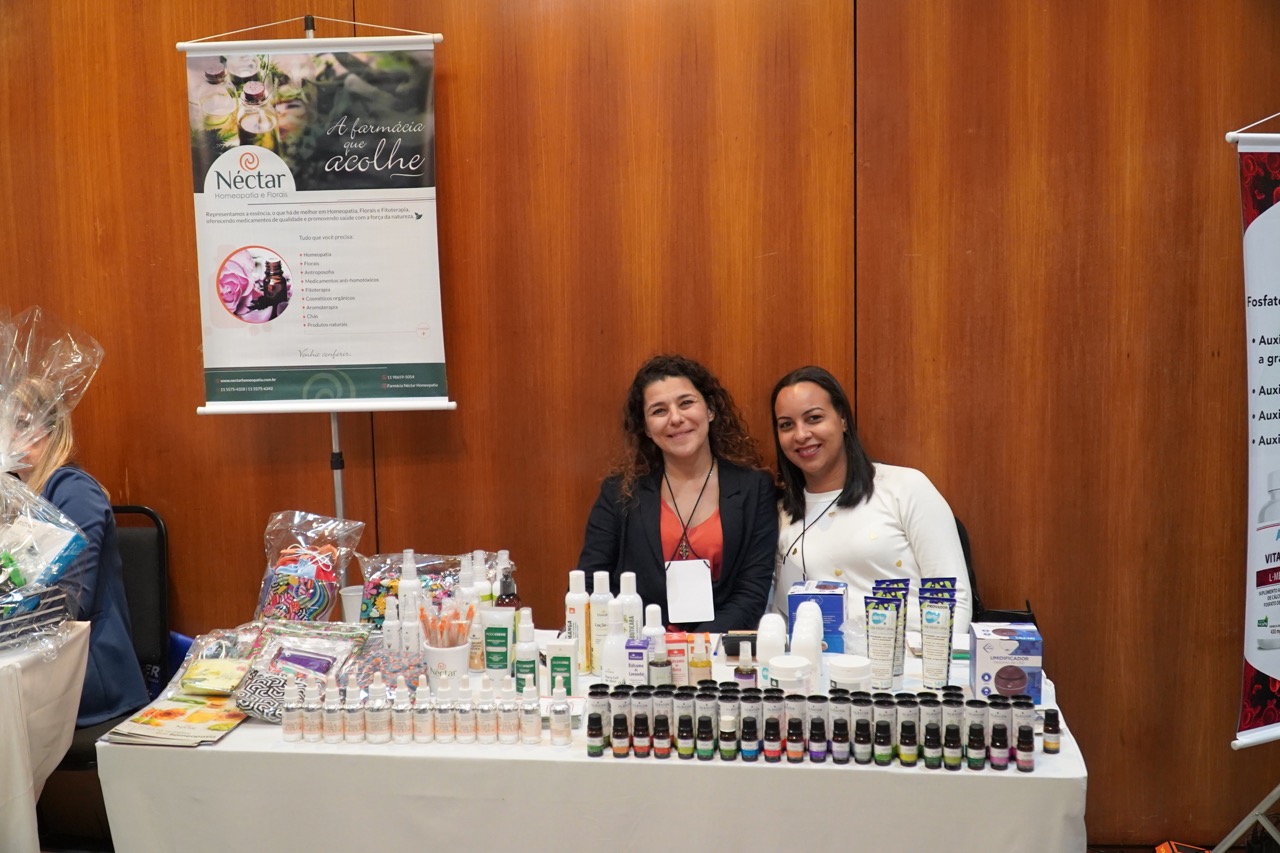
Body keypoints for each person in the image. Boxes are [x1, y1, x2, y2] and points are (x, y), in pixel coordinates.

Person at [577, 355, 777, 632]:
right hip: (637, 646)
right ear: (646, 428)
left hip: (716, 649)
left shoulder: (755, 488)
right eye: (659, 411)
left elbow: (751, 594)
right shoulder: (620, 491)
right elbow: (590, 584)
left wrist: (692, 646)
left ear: (710, 409)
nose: (676, 418)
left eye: (686, 403)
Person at [770, 366, 972, 634]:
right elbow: (782, 615)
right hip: (824, 657)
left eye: (814, 418)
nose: (801, 434)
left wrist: (928, 659)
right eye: (786, 425)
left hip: (911, 655)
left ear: (843, 419)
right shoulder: (782, 513)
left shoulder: (905, 487)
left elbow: (954, 599)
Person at [13, 380, 150, 727]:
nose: (12, 434)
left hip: (86, 675)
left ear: (52, 428)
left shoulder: (73, 490)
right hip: (34, 666)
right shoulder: (18, 497)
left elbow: (69, 601)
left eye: (23, 423)